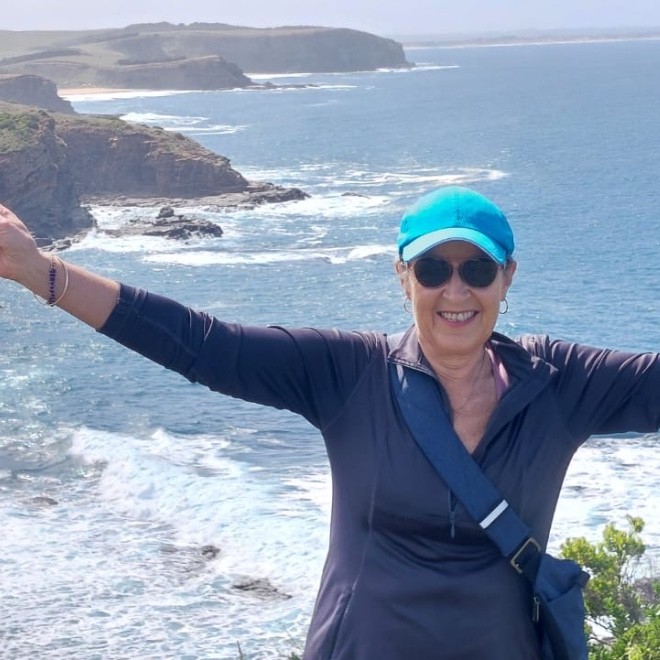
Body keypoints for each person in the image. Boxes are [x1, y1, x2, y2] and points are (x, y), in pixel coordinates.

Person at [0, 186, 658, 660]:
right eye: (433, 269)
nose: (455, 291)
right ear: (403, 278)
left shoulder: (560, 383)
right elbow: (203, 345)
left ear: (506, 278)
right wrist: (39, 271)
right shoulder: (349, 373)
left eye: (477, 270)